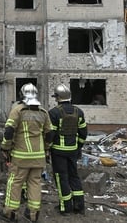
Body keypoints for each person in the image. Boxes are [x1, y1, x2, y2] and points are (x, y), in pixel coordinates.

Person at [0, 83, 51, 222]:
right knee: (35, 183)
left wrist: (5, 147)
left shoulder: (18, 110)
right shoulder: (44, 113)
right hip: (39, 157)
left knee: (15, 183)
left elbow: (9, 131)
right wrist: (46, 149)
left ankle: (9, 213)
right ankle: (33, 215)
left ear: (22, 95)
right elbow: (49, 134)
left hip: (21, 157)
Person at [48, 84, 87, 214]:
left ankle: (66, 207)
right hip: (73, 150)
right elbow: (83, 133)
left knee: (61, 178)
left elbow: (50, 134)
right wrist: (79, 147)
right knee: (74, 176)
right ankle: (79, 205)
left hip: (58, 152)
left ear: (58, 97)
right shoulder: (78, 112)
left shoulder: (54, 113)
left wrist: (47, 147)